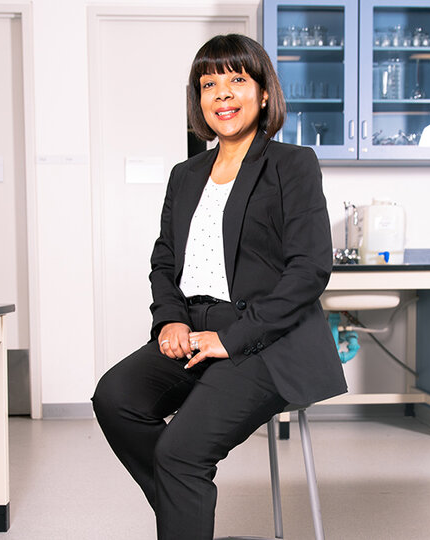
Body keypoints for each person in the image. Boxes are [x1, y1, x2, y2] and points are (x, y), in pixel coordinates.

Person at [91, 34, 347, 539]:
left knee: (180, 452)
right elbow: (165, 259)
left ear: (264, 93)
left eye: (237, 80)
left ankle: (181, 495)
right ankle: (182, 504)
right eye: (210, 84)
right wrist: (169, 317)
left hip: (266, 339)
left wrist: (232, 339)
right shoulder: (185, 175)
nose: (223, 94)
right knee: (115, 397)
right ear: (198, 99)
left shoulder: (292, 166)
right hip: (193, 326)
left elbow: (310, 269)